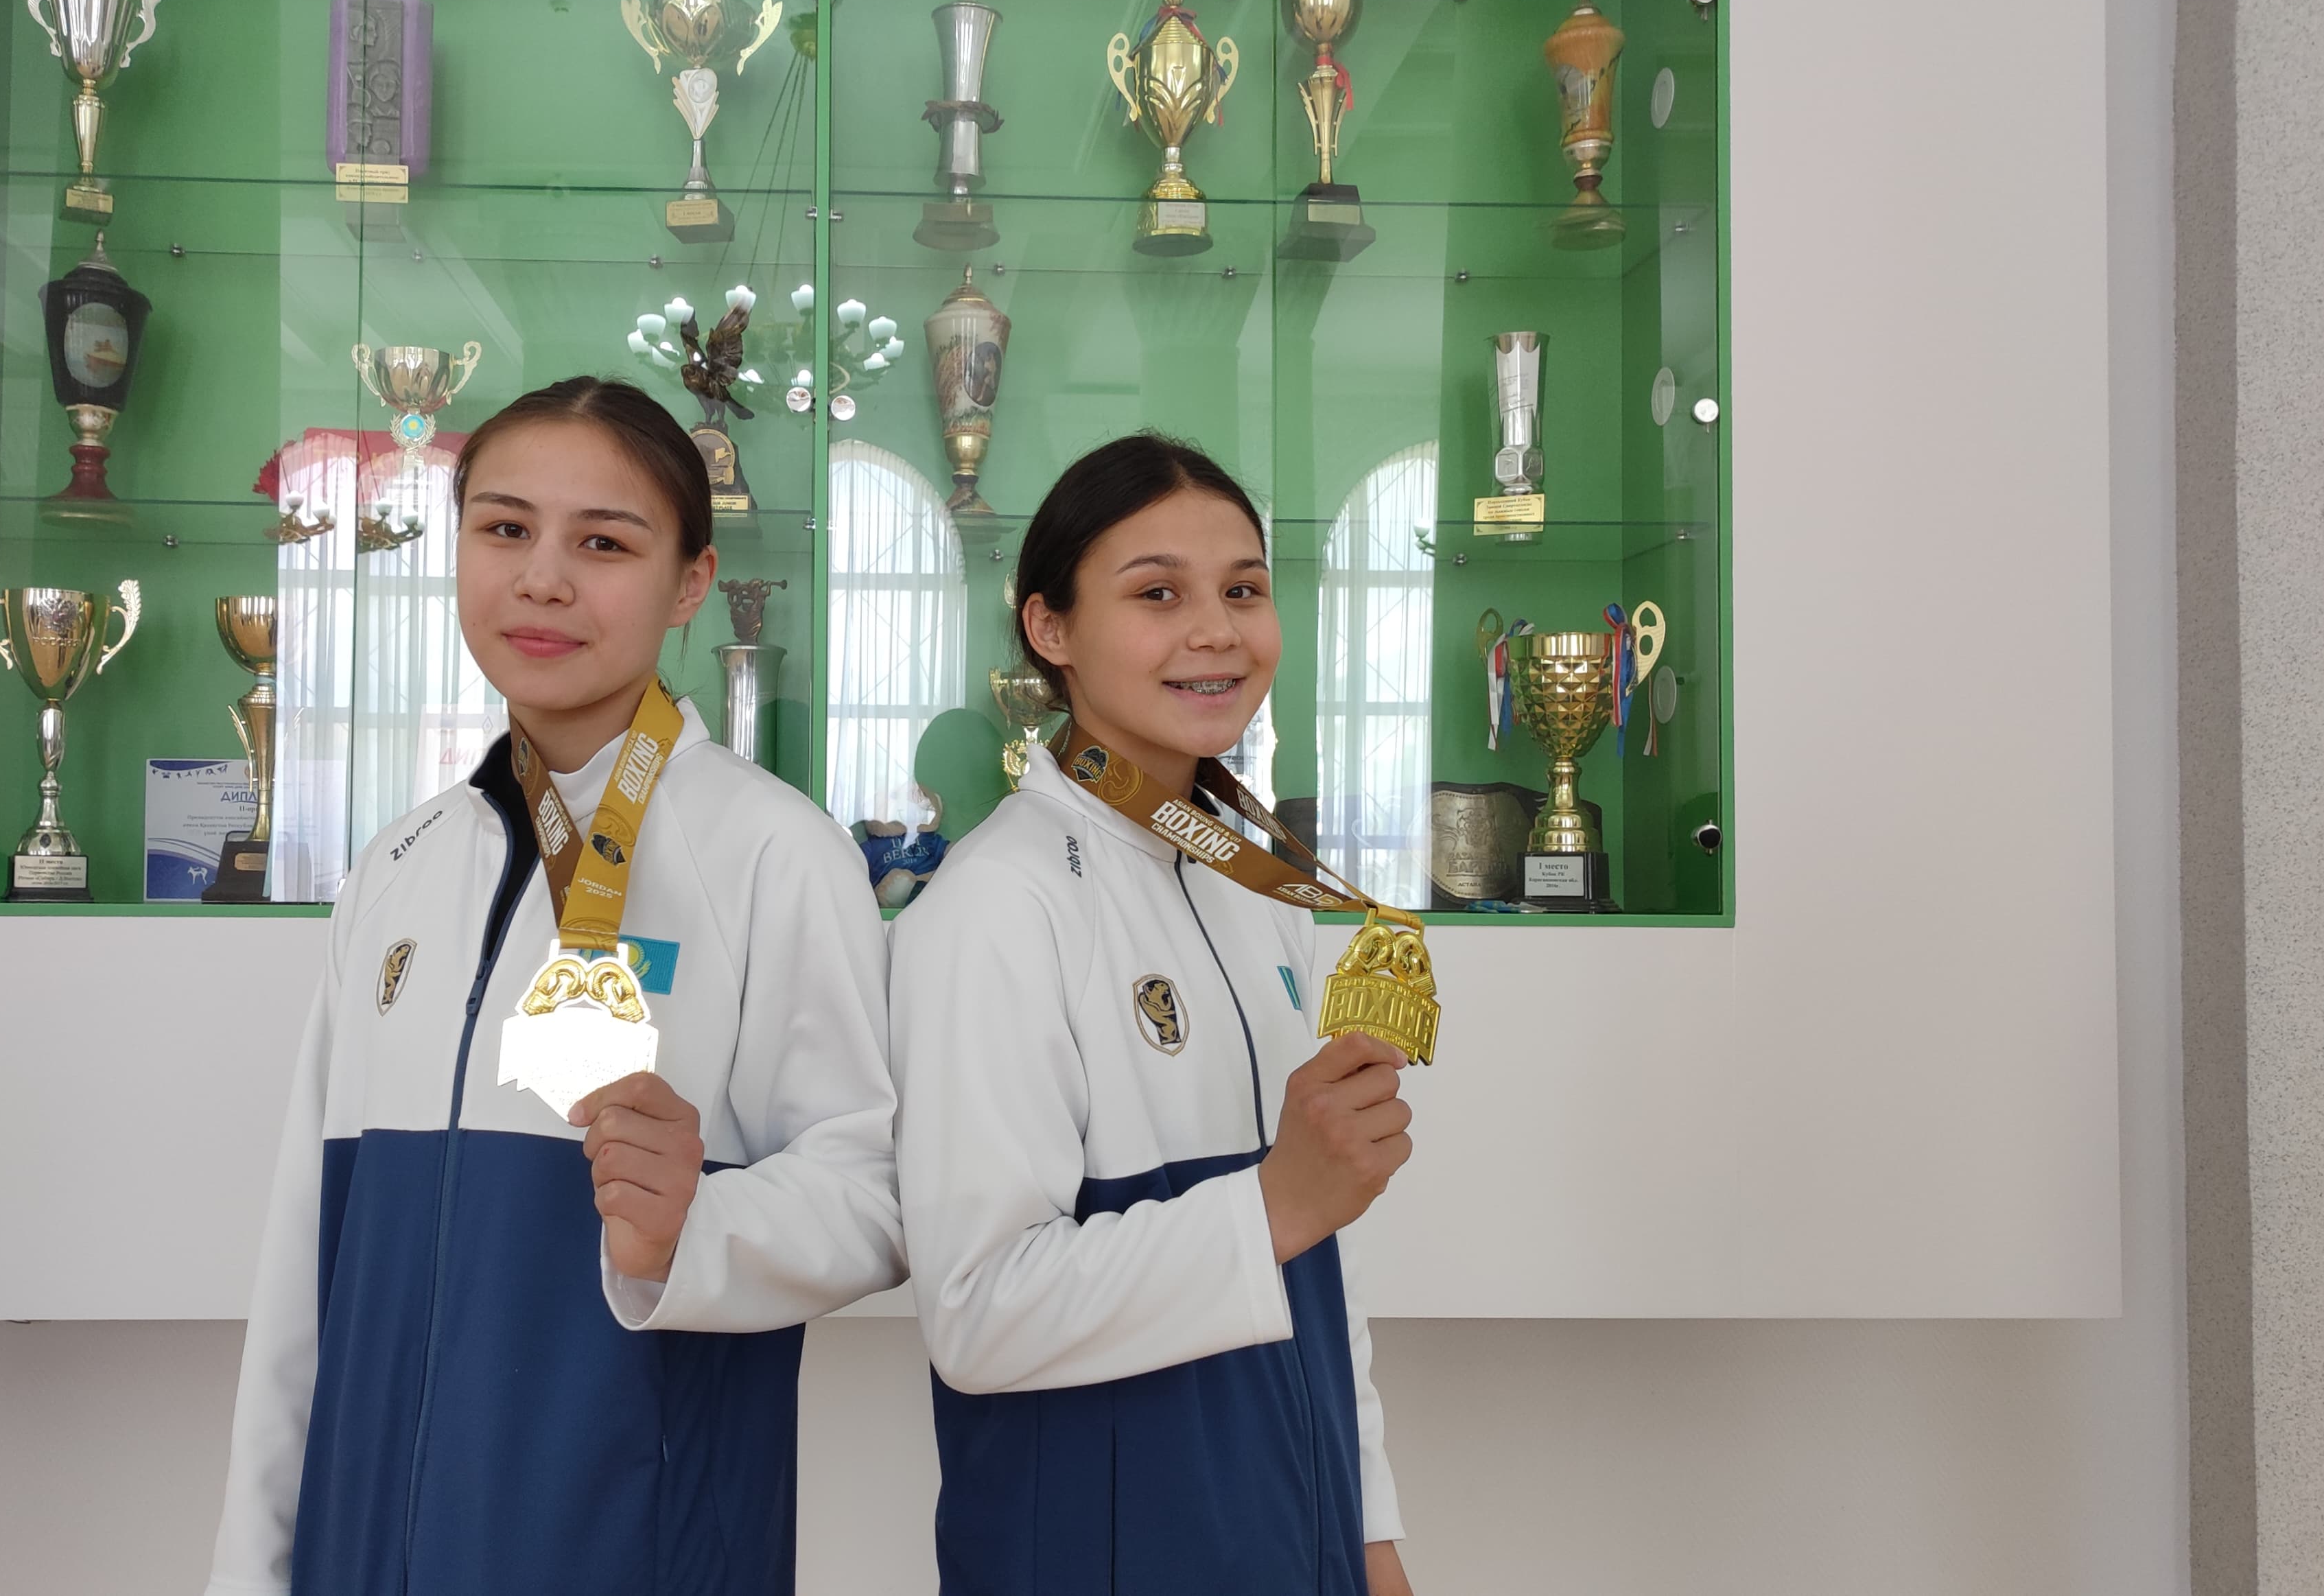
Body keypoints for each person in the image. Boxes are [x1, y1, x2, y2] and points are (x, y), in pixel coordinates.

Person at [204, 376, 904, 1596]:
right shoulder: (403, 864)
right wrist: (253, 1571)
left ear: (690, 582)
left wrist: (693, 1227)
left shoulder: (774, 855)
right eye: (506, 528)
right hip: (361, 1551)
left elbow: (878, 1193)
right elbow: (304, 1264)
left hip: (632, 1549)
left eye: (604, 543)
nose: (541, 579)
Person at [890, 434, 1418, 1595]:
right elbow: (977, 1315)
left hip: (1297, 1534)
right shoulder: (998, 904)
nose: (1217, 631)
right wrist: (1275, 1204)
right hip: (1097, 1552)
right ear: (1050, 629)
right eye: (1158, 594)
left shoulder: (1254, 885)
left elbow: (1313, 1254)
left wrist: (1371, 1535)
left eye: (1244, 590)